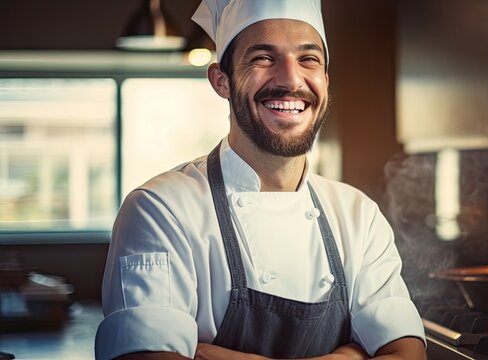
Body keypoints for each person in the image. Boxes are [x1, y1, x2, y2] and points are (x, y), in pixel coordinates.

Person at [94, 1, 426, 359]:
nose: (291, 79)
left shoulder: (358, 216)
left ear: (325, 82)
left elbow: (406, 353)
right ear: (222, 80)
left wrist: (205, 353)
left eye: (308, 59)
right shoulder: (160, 209)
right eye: (263, 58)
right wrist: (353, 355)